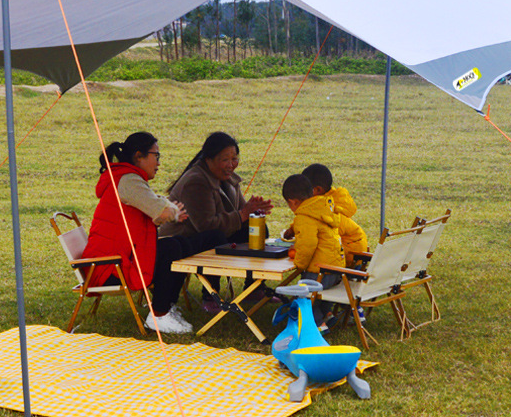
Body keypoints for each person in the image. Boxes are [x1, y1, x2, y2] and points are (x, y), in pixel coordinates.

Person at [82, 132, 224, 335]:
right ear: (139, 156)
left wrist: (167, 210)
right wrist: (173, 211)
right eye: (156, 155)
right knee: (171, 248)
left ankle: (166, 307)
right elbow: (162, 210)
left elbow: (154, 207)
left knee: (177, 244)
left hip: (116, 260)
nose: (158, 162)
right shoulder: (128, 180)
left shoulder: (126, 178)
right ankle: (159, 315)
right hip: (109, 268)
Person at [160, 131, 273, 312]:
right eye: (224, 160)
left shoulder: (228, 179)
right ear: (209, 159)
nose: (231, 165)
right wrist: (244, 214)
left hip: (214, 233)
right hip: (180, 241)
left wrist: (254, 213)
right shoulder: (196, 181)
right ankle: (211, 295)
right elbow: (205, 225)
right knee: (214, 237)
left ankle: (254, 288)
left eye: (234, 159)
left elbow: (240, 215)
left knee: (257, 228)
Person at [281, 173, 344, 329]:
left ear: (292, 202)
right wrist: (293, 229)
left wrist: (300, 264)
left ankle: (318, 325)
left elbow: (308, 244)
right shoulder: (323, 208)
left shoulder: (304, 217)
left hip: (319, 270)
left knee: (303, 295)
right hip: (336, 268)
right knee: (319, 294)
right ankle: (328, 315)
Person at [287, 163, 368, 264]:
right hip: (353, 249)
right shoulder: (325, 203)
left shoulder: (330, 209)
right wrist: (293, 229)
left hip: (350, 254)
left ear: (318, 190)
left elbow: (316, 232)